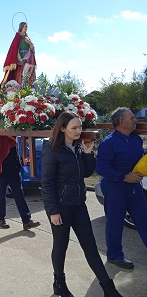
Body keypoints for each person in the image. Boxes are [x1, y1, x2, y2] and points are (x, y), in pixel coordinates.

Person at [42, 112, 122, 297]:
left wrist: (87, 153)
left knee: (90, 247)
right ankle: (59, 284)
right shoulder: (51, 149)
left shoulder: (77, 148)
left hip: (79, 205)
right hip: (60, 208)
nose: (79, 131)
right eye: (74, 128)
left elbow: (86, 173)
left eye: (80, 127)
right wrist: (53, 211)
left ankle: (108, 289)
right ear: (62, 129)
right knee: (61, 247)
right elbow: (46, 183)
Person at [96, 107, 147, 270]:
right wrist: (124, 177)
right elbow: (101, 168)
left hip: (134, 188)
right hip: (115, 188)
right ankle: (114, 256)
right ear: (121, 122)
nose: (136, 120)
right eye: (132, 118)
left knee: (144, 219)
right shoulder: (108, 143)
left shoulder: (136, 140)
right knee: (115, 223)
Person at [0, 21, 36, 90]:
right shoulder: (17, 37)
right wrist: (20, 59)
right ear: (21, 27)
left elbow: (32, 49)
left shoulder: (27, 38)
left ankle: (28, 91)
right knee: (20, 78)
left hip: (28, 61)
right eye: (25, 26)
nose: (26, 28)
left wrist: (30, 44)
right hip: (20, 62)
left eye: (27, 27)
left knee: (28, 78)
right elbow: (15, 49)